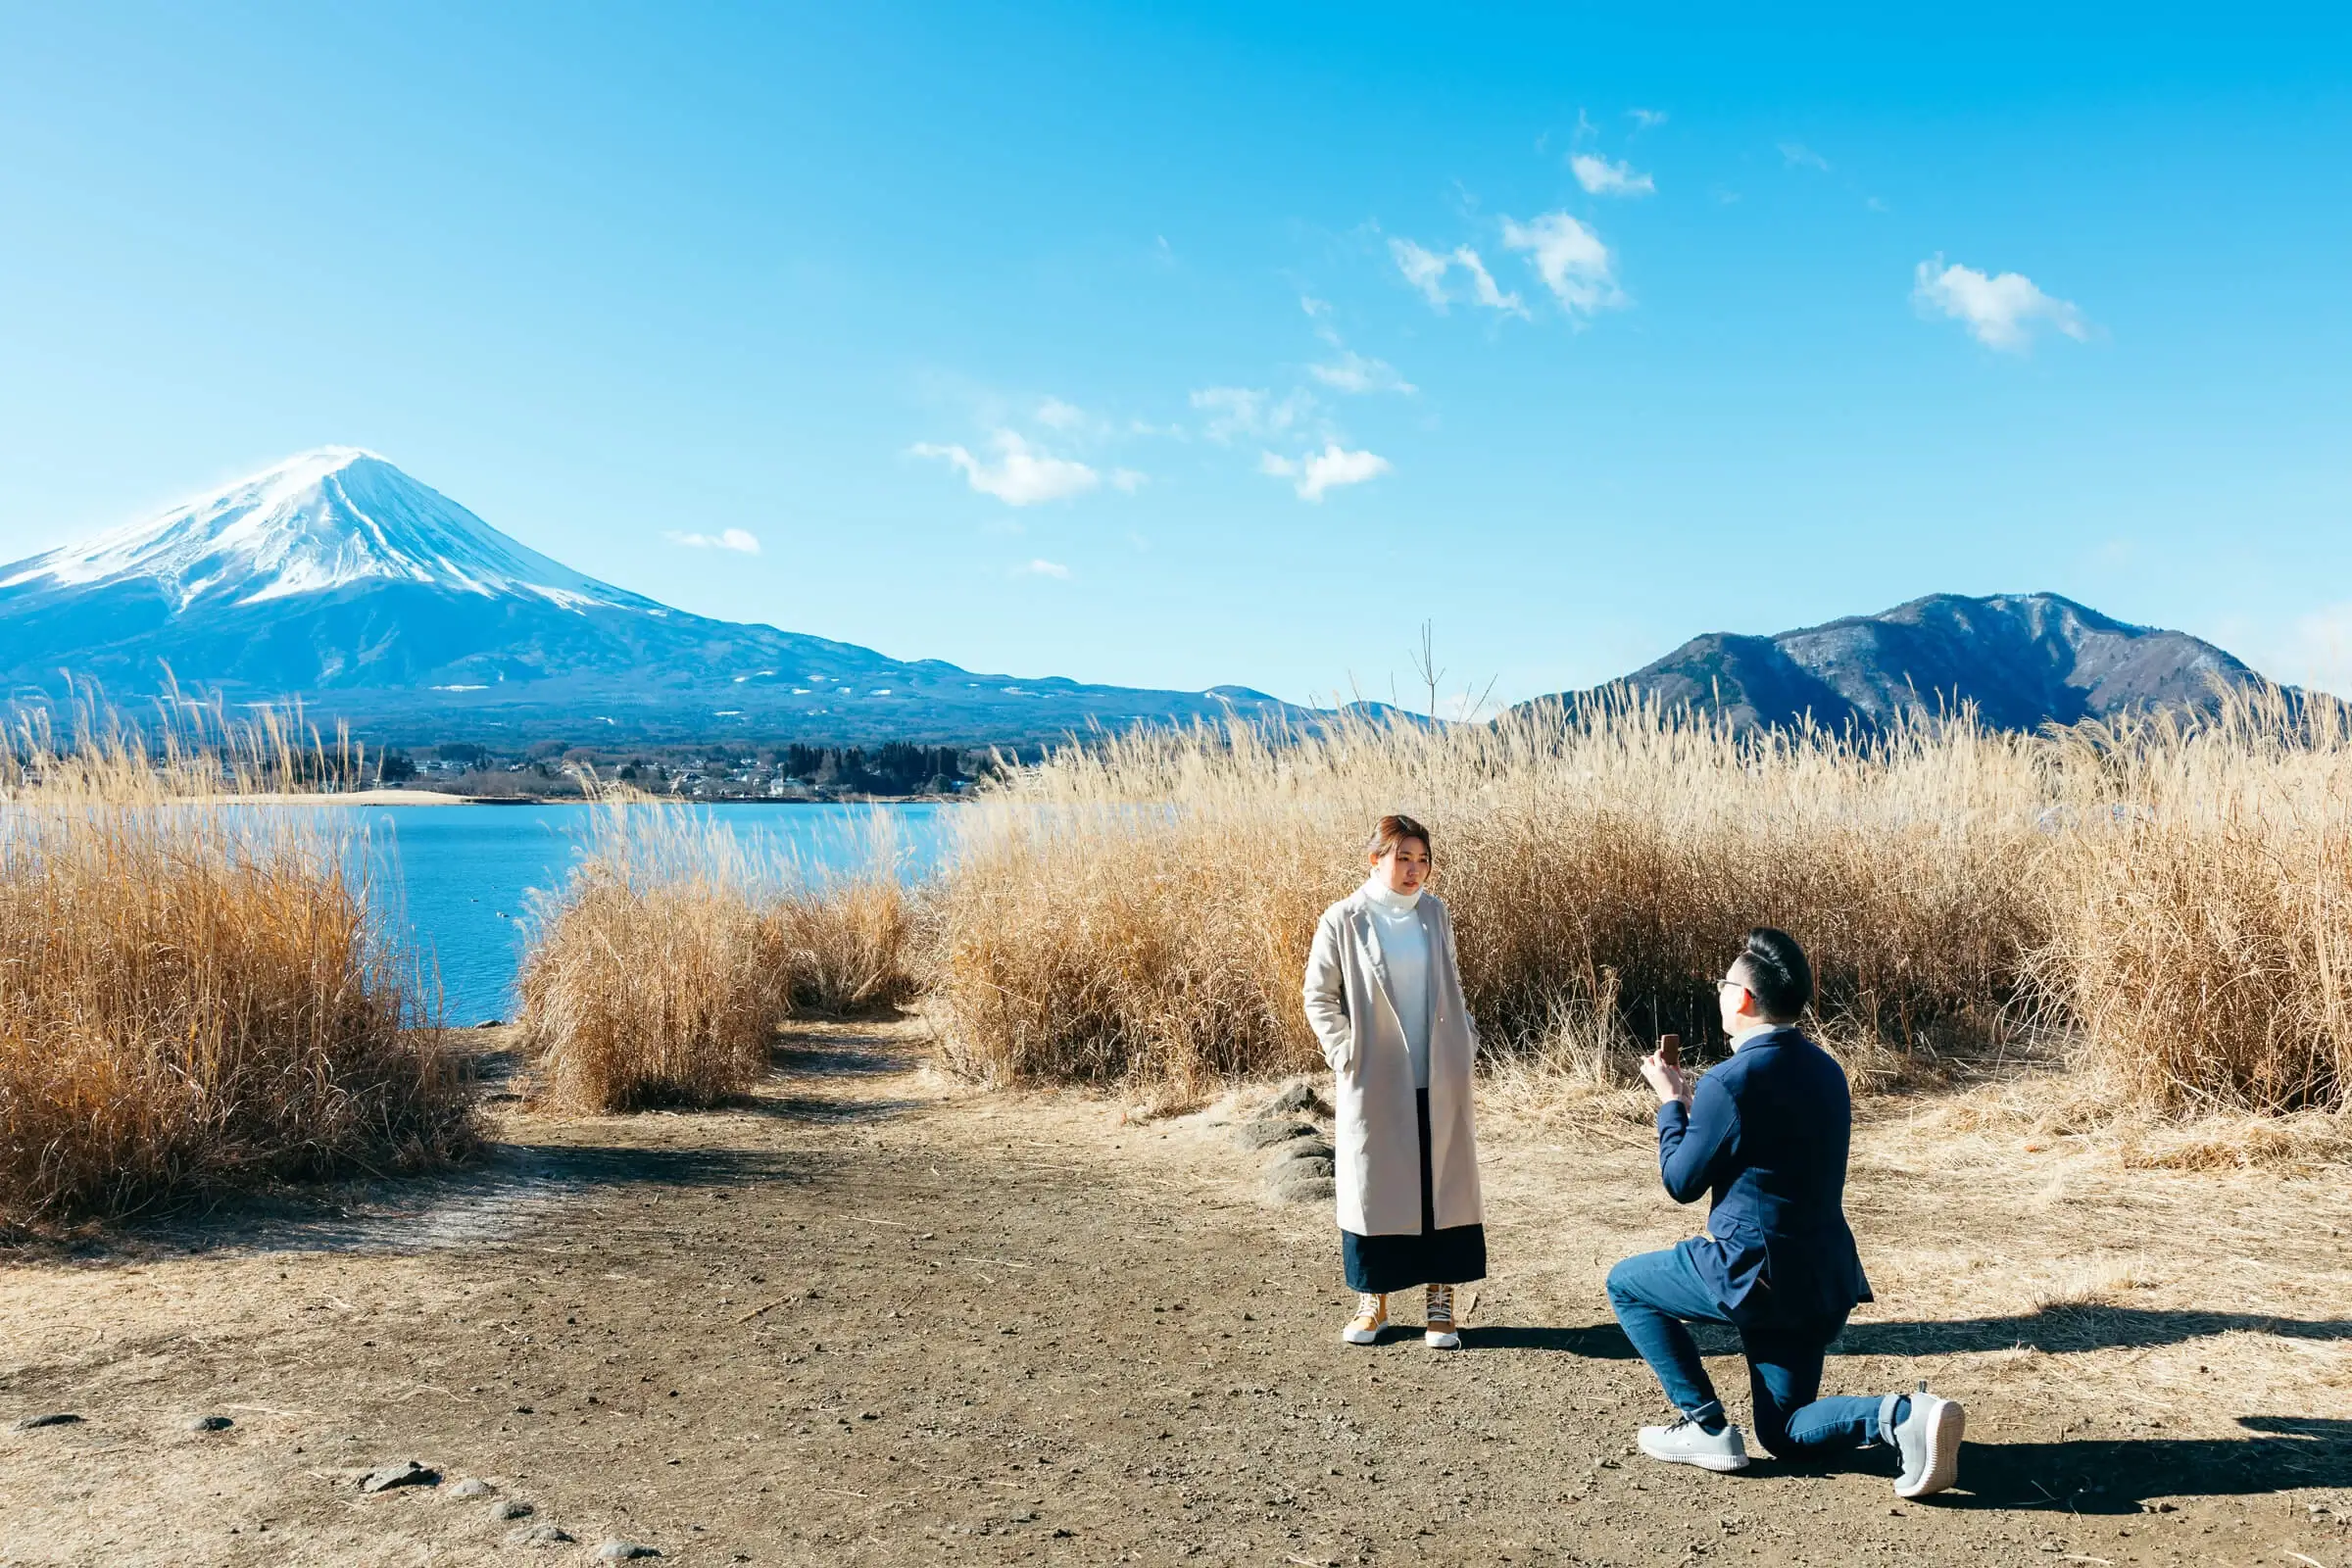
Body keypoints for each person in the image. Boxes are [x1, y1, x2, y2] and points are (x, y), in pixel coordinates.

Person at [1605, 927, 1966, 1499]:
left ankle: (1705, 1425)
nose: (1719, 992)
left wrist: (1671, 1104)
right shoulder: (1826, 1069)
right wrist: (1703, 1115)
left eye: (1724, 984)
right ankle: (1903, 1416)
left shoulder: (1730, 1080)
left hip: (1752, 1272)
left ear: (1745, 999)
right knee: (1785, 1433)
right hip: (1821, 1276)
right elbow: (1769, 1152)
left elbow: (1680, 1183)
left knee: (1626, 1284)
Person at [1301, 813, 1487, 1348]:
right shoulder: (1343, 919)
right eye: (1403, 857)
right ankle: (1373, 1303)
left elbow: (1451, 981)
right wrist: (1345, 1053)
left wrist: (1466, 1035)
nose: (1414, 869)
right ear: (1375, 859)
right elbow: (1318, 996)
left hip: (1440, 1071)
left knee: (1441, 1187)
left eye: (1422, 859)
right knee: (1376, 1187)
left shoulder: (1434, 913)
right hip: (1376, 1076)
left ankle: (1440, 1303)